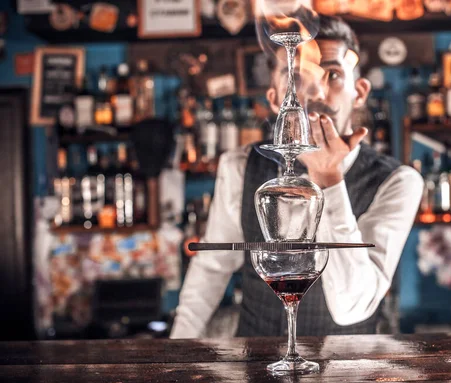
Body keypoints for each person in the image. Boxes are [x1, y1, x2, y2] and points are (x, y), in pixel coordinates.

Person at [171, 16, 423, 338]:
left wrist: (327, 177)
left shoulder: (398, 182)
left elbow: (353, 307)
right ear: (276, 98)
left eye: (331, 74)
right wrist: (175, 352)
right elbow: (211, 268)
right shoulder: (238, 166)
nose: (315, 92)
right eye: (296, 76)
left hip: (349, 376)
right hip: (256, 363)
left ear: (359, 92)